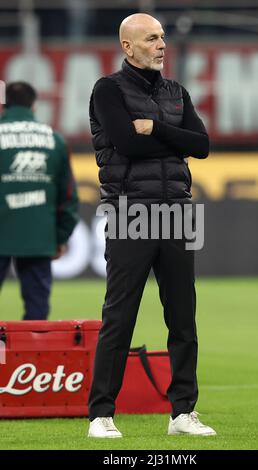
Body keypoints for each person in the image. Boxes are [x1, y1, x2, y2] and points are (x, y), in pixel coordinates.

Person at [88, 13, 216, 438]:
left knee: (183, 319)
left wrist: (155, 128)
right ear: (128, 47)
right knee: (119, 316)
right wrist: (170, 136)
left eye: (162, 37)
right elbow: (125, 142)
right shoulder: (107, 90)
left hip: (177, 212)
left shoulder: (176, 91)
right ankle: (101, 415)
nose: (162, 45)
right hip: (128, 212)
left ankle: (182, 413)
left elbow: (202, 145)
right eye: (151, 39)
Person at [0, 82, 79, 320]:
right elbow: (68, 195)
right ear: (34, 105)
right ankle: (32, 356)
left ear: (4, 105)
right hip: (39, 235)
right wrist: (60, 236)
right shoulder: (54, 139)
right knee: (37, 313)